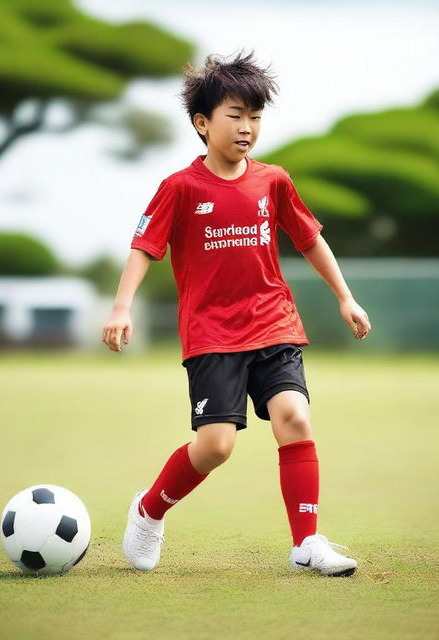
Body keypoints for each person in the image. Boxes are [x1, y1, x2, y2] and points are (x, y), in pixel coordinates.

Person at [102, 50, 371, 577]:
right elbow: (143, 247)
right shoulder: (179, 188)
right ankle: (150, 509)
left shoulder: (274, 181)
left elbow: (310, 240)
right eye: (235, 115)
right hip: (211, 334)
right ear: (202, 123)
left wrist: (345, 296)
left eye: (255, 116)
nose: (247, 127)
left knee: (295, 419)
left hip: (273, 322)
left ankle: (306, 543)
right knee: (217, 446)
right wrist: (120, 307)